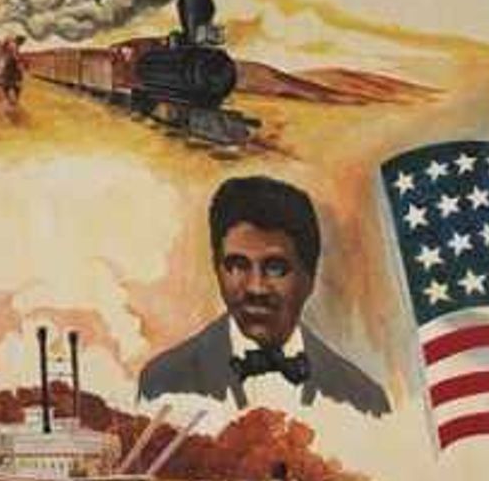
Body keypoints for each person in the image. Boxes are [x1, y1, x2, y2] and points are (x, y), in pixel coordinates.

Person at [136, 175, 392, 415]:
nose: (255, 287)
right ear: (217, 269)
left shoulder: (364, 400)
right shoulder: (162, 382)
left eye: (275, 268)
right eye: (237, 265)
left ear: (309, 278)